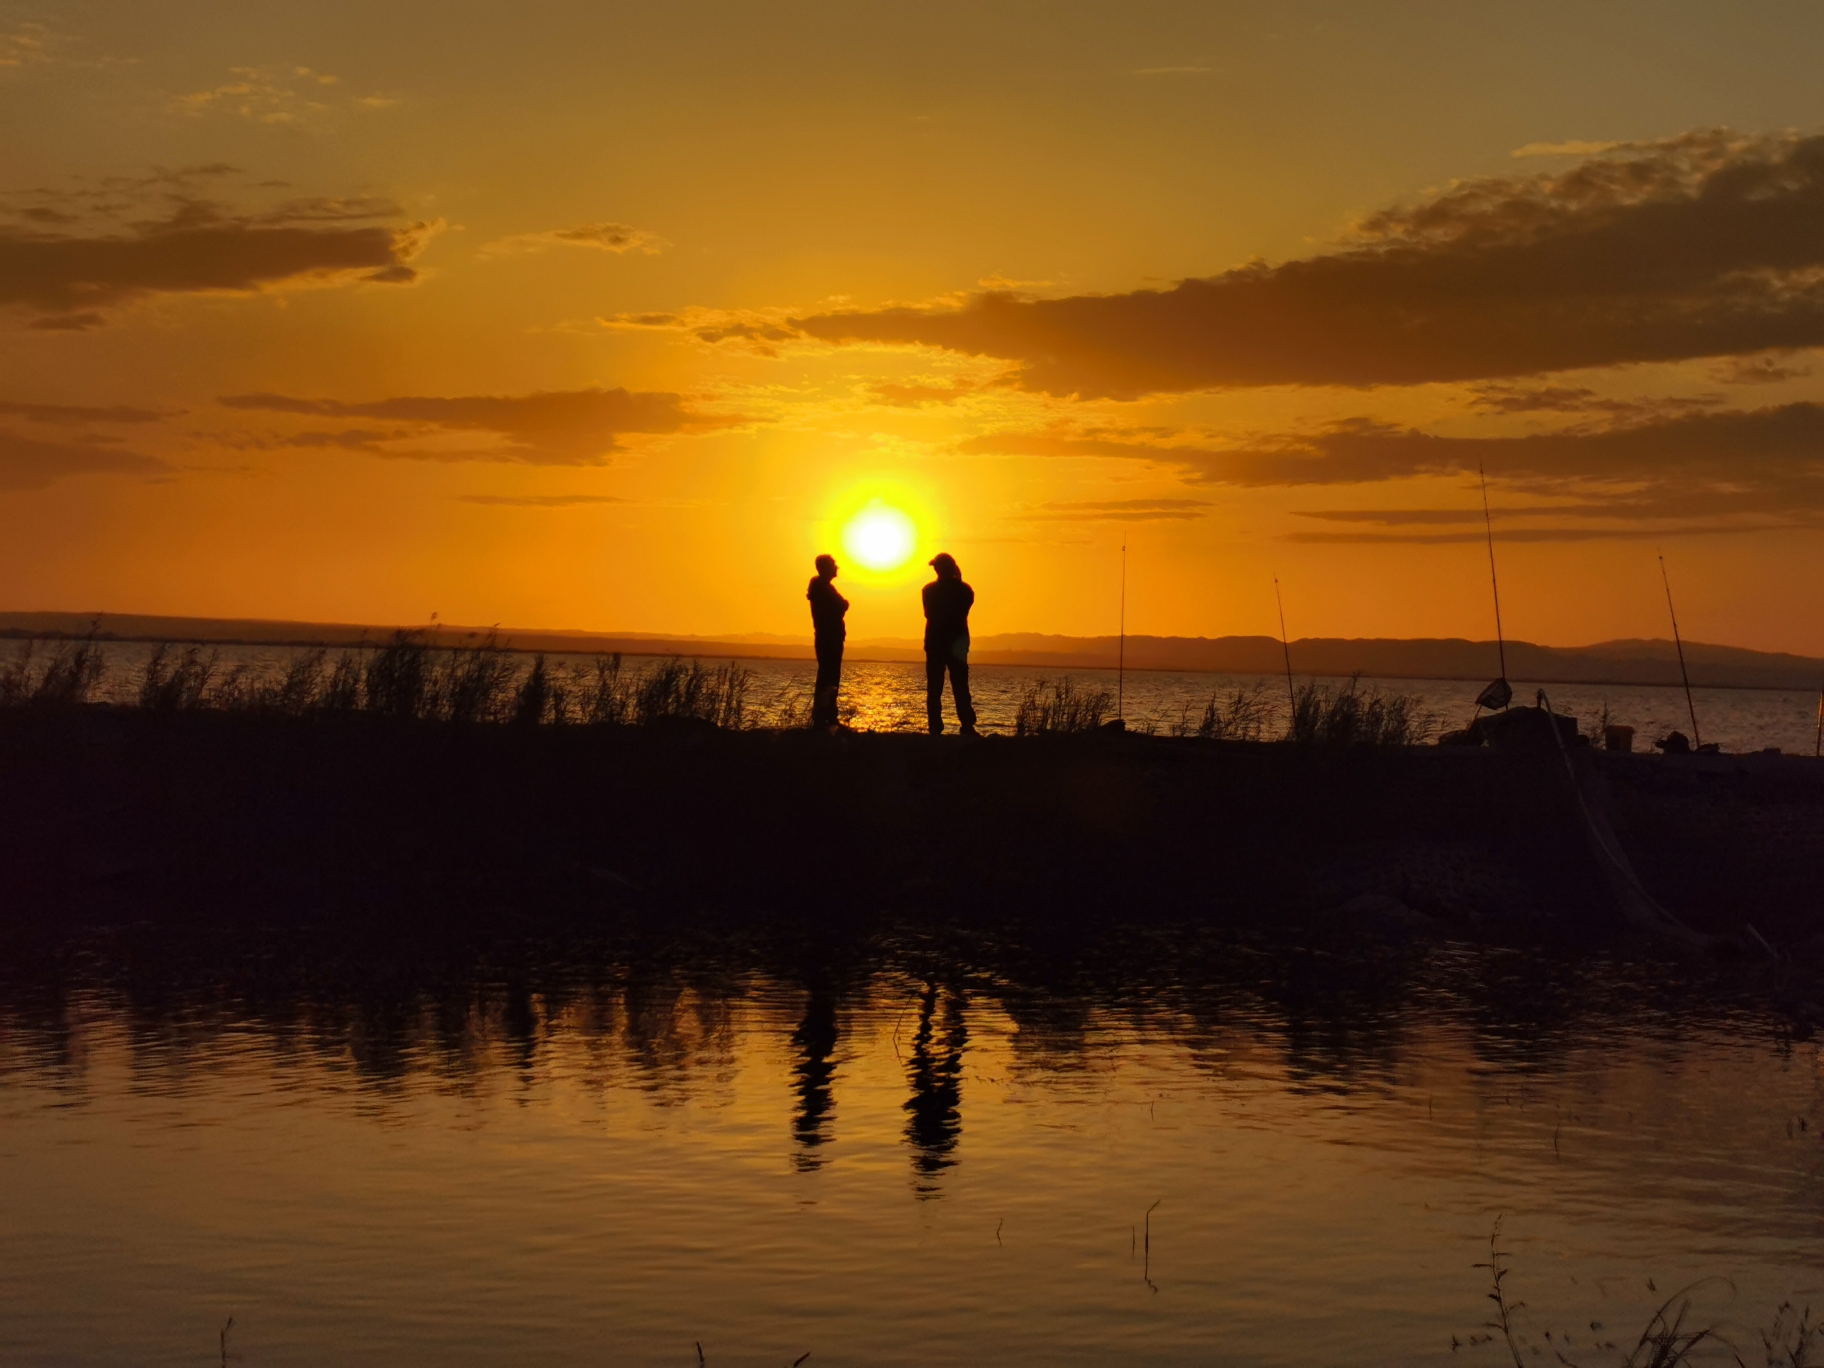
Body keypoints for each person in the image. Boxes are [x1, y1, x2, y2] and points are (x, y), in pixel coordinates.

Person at [922, 552, 976, 736]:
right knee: (960, 685)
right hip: (957, 643)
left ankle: (934, 727)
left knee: (934, 686)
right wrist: (958, 579)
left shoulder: (928, 591)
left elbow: (928, 614)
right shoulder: (965, 590)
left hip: (935, 642)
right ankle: (967, 725)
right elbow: (964, 610)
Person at [806, 553, 848, 727]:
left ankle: (826, 714)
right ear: (824, 568)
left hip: (830, 636)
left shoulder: (822, 586)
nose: (836, 567)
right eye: (833, 564)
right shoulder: (821, 586)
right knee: (828, 676)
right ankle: (824, 715)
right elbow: (843, 604)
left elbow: (842, 605)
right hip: (828, 637)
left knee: (829, 675)